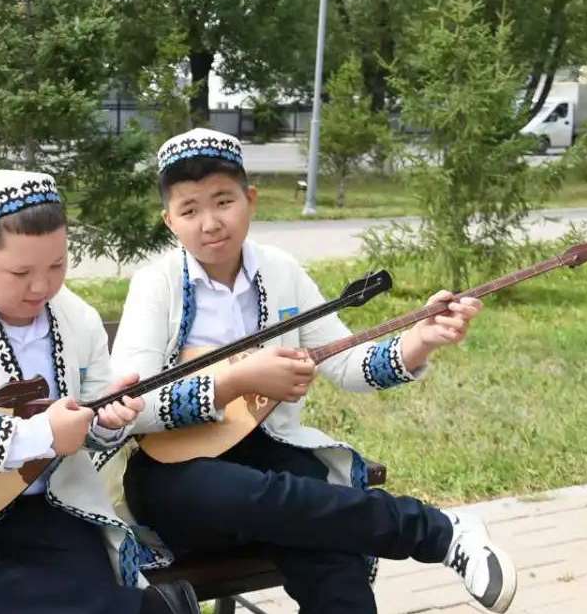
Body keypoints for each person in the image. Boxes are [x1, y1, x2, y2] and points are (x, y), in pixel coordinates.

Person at [103, 128, 517, 613]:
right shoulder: (158, 285)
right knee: (277, 498)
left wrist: (419, 340)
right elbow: (130, 408)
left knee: (329, 558)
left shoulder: (281, 272)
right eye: (190, 210)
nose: (210, 223)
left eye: (223, 202)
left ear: (250, 200)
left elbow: (347, 364)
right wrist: (236, 380)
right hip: (174, 474)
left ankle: (442, 536)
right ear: (169, 219)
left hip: (269, 452)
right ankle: (439, 532)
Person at [0, 169, 200, 614]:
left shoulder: (79, 319)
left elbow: (95, 423)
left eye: (57, 266)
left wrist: (108, 420)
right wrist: (39, 436)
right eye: (20, 271)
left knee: (79, 578)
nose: (42, 286)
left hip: (56, 505)